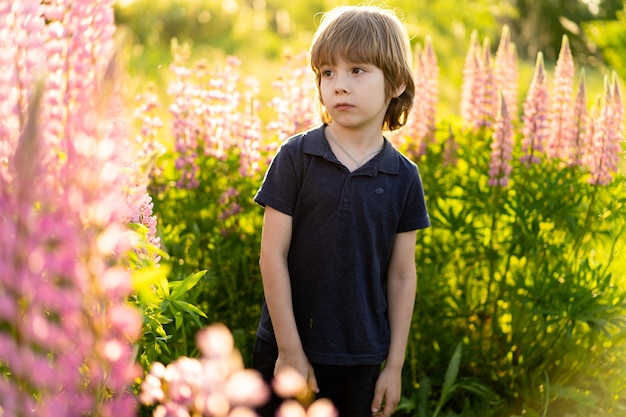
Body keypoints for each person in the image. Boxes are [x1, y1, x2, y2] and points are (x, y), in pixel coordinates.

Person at [252, 5, 430, 417]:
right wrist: (290, 351)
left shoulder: (404, 177)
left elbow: (402, 275)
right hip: (284, 347)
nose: (339, 86)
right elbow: (271, 256)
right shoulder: (296, 157)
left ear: (396, 83)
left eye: (357, 71)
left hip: (360, 358)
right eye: (327, 73)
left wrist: (395, 366)